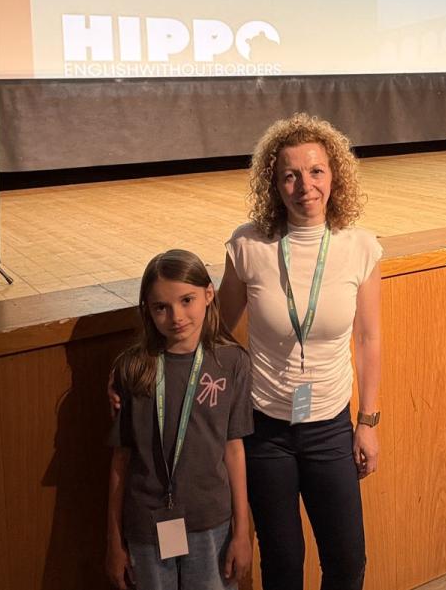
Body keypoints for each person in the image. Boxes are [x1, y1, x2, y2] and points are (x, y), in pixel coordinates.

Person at [219, 112, 382, 590]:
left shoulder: (360, 247)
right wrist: (144, 370)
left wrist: (367, 422)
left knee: (347, 564)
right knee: (283, 568)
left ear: (334, 176)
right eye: (290, 175)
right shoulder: (249, 245)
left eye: (315, 171)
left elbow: (369, 340)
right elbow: (216, 332)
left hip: (330, 428)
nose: (304, 185)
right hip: (265, 432)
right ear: (274, 184)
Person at [106, 249, 253, 590]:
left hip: (211, 525)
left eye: (187, 300)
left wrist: (242, 531)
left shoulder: (232, 363)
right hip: (147, 527)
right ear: (147, 310)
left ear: (209, 294)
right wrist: (113, 541)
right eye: (161, 307)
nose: (176, 316)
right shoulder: (133, 369)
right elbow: (120, 460)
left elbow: (234, 450)